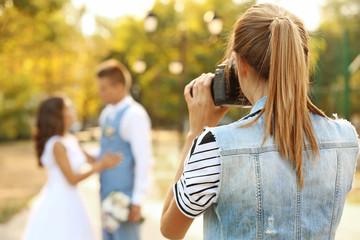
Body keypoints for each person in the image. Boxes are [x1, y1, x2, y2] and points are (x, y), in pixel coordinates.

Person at [160, 3, 359, 240]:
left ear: (238, 64)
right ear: (303, 61)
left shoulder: (216, 147)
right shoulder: (347, 139)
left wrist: (196, 133)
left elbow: (169, 229)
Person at [22, 96, 121, 240]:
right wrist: (101, 166)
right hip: (59, 199)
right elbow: (72, 179)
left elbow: (92, 159)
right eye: (68, 108)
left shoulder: (71, 139)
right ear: (58, 114)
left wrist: (112, 142)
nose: (73, 110)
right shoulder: (57, 144)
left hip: (73, 198)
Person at [96, 59, 153, 240]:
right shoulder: (106, 113)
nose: (100, 93)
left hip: (125, 198)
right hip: (106, 193)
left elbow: (144, 160)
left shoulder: (134, 115)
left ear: (119, 87)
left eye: (104, 88)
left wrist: (137, 200)